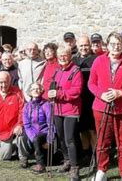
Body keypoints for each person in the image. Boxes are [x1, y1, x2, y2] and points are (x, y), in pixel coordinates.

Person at [88, 32, 122, 181]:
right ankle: (101, 170)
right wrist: (100, 94)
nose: (116, 47)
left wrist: (120, 92)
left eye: (119, 44)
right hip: (102, 108)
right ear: (107, 45)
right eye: (113, 44)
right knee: (103, 142)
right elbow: (91, 83)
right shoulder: (98, 61)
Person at [48, 45, 83, 181]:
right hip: (57, 109)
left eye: (65, 54)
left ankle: (75, 168)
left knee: (69, 139)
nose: (62, 57)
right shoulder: (57, 70)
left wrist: (59, 94)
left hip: (71, 110)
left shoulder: (75, 71)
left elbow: (76, 91)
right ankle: (67, 160)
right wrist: (51, 93)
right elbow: (52, 86)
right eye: (60, 55)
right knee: (61, 137)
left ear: (70, 56)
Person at [0, 71, 30, 166]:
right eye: (1, 82)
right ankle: (13, 146)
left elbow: (22, 111)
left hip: (16, 127)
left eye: (6, 82)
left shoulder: (17, 92)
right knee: (3, 158)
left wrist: (20, 124)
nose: (3, 85)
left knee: (21, 134)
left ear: (10, 81)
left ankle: (23, 157)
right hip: (3, 131)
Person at [72, 35, 97, 165]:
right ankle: (86, 154)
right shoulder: (74, 60)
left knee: (92, 130)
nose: (83, 48)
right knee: (82, 129)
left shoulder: (96, 59)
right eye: (81, 45)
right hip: (78, 100)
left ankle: (95, 155)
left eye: (86, 45)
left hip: (92, 99)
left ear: (90, 45)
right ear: (77, 46)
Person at [23, 82, 54, 174]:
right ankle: (24, 158)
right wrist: (32, 138)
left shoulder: (46, 104)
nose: (36, 90)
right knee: (22, 136)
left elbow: (50, 123)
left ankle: (40, 165)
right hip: (32, 133)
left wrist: (49, 139)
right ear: (30, 92)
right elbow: (27, 124)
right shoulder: (27, 106)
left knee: (37, 139)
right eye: (33, 89)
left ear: (41, 91)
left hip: (44, 133)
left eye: (38, 89)